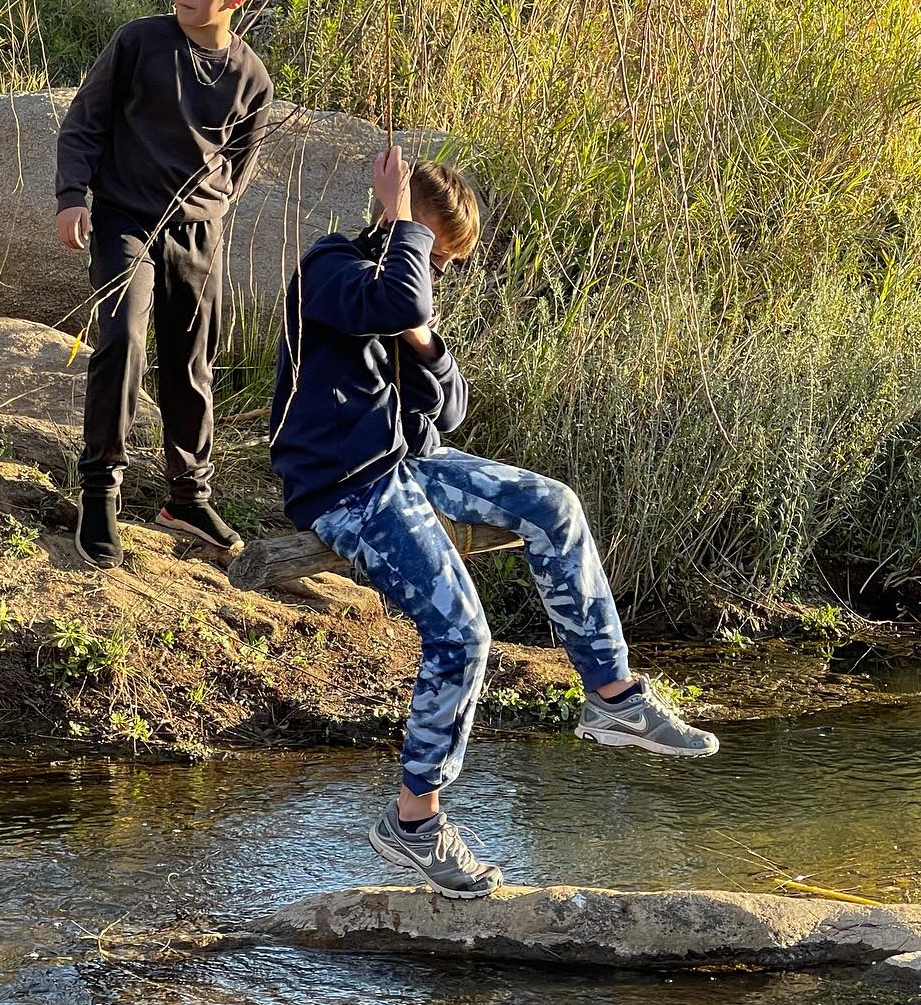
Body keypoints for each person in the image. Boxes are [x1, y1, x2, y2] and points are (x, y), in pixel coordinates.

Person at [269, 146, 719, 899]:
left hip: (410, 462)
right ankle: (414, 821)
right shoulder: (332, 270)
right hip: (344, 484)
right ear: (401, 224)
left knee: (555, 505)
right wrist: (404, 231)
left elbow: (448, 410)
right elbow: (398, 300)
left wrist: (425, 343)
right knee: (462, 634)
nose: (437, 273)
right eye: (435, 256)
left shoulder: (403, 294)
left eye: (446, 263)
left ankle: (613, 698)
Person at [56, 0, 274, 569]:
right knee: (122, 337)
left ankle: (188, 496)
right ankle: (101, 488)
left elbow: (237, 169)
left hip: (197, 235)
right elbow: (83, 124)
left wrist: (206, 215)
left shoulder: (251, 78)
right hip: (124, 222)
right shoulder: (138, 43)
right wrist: (72, 196)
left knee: (191, 361)